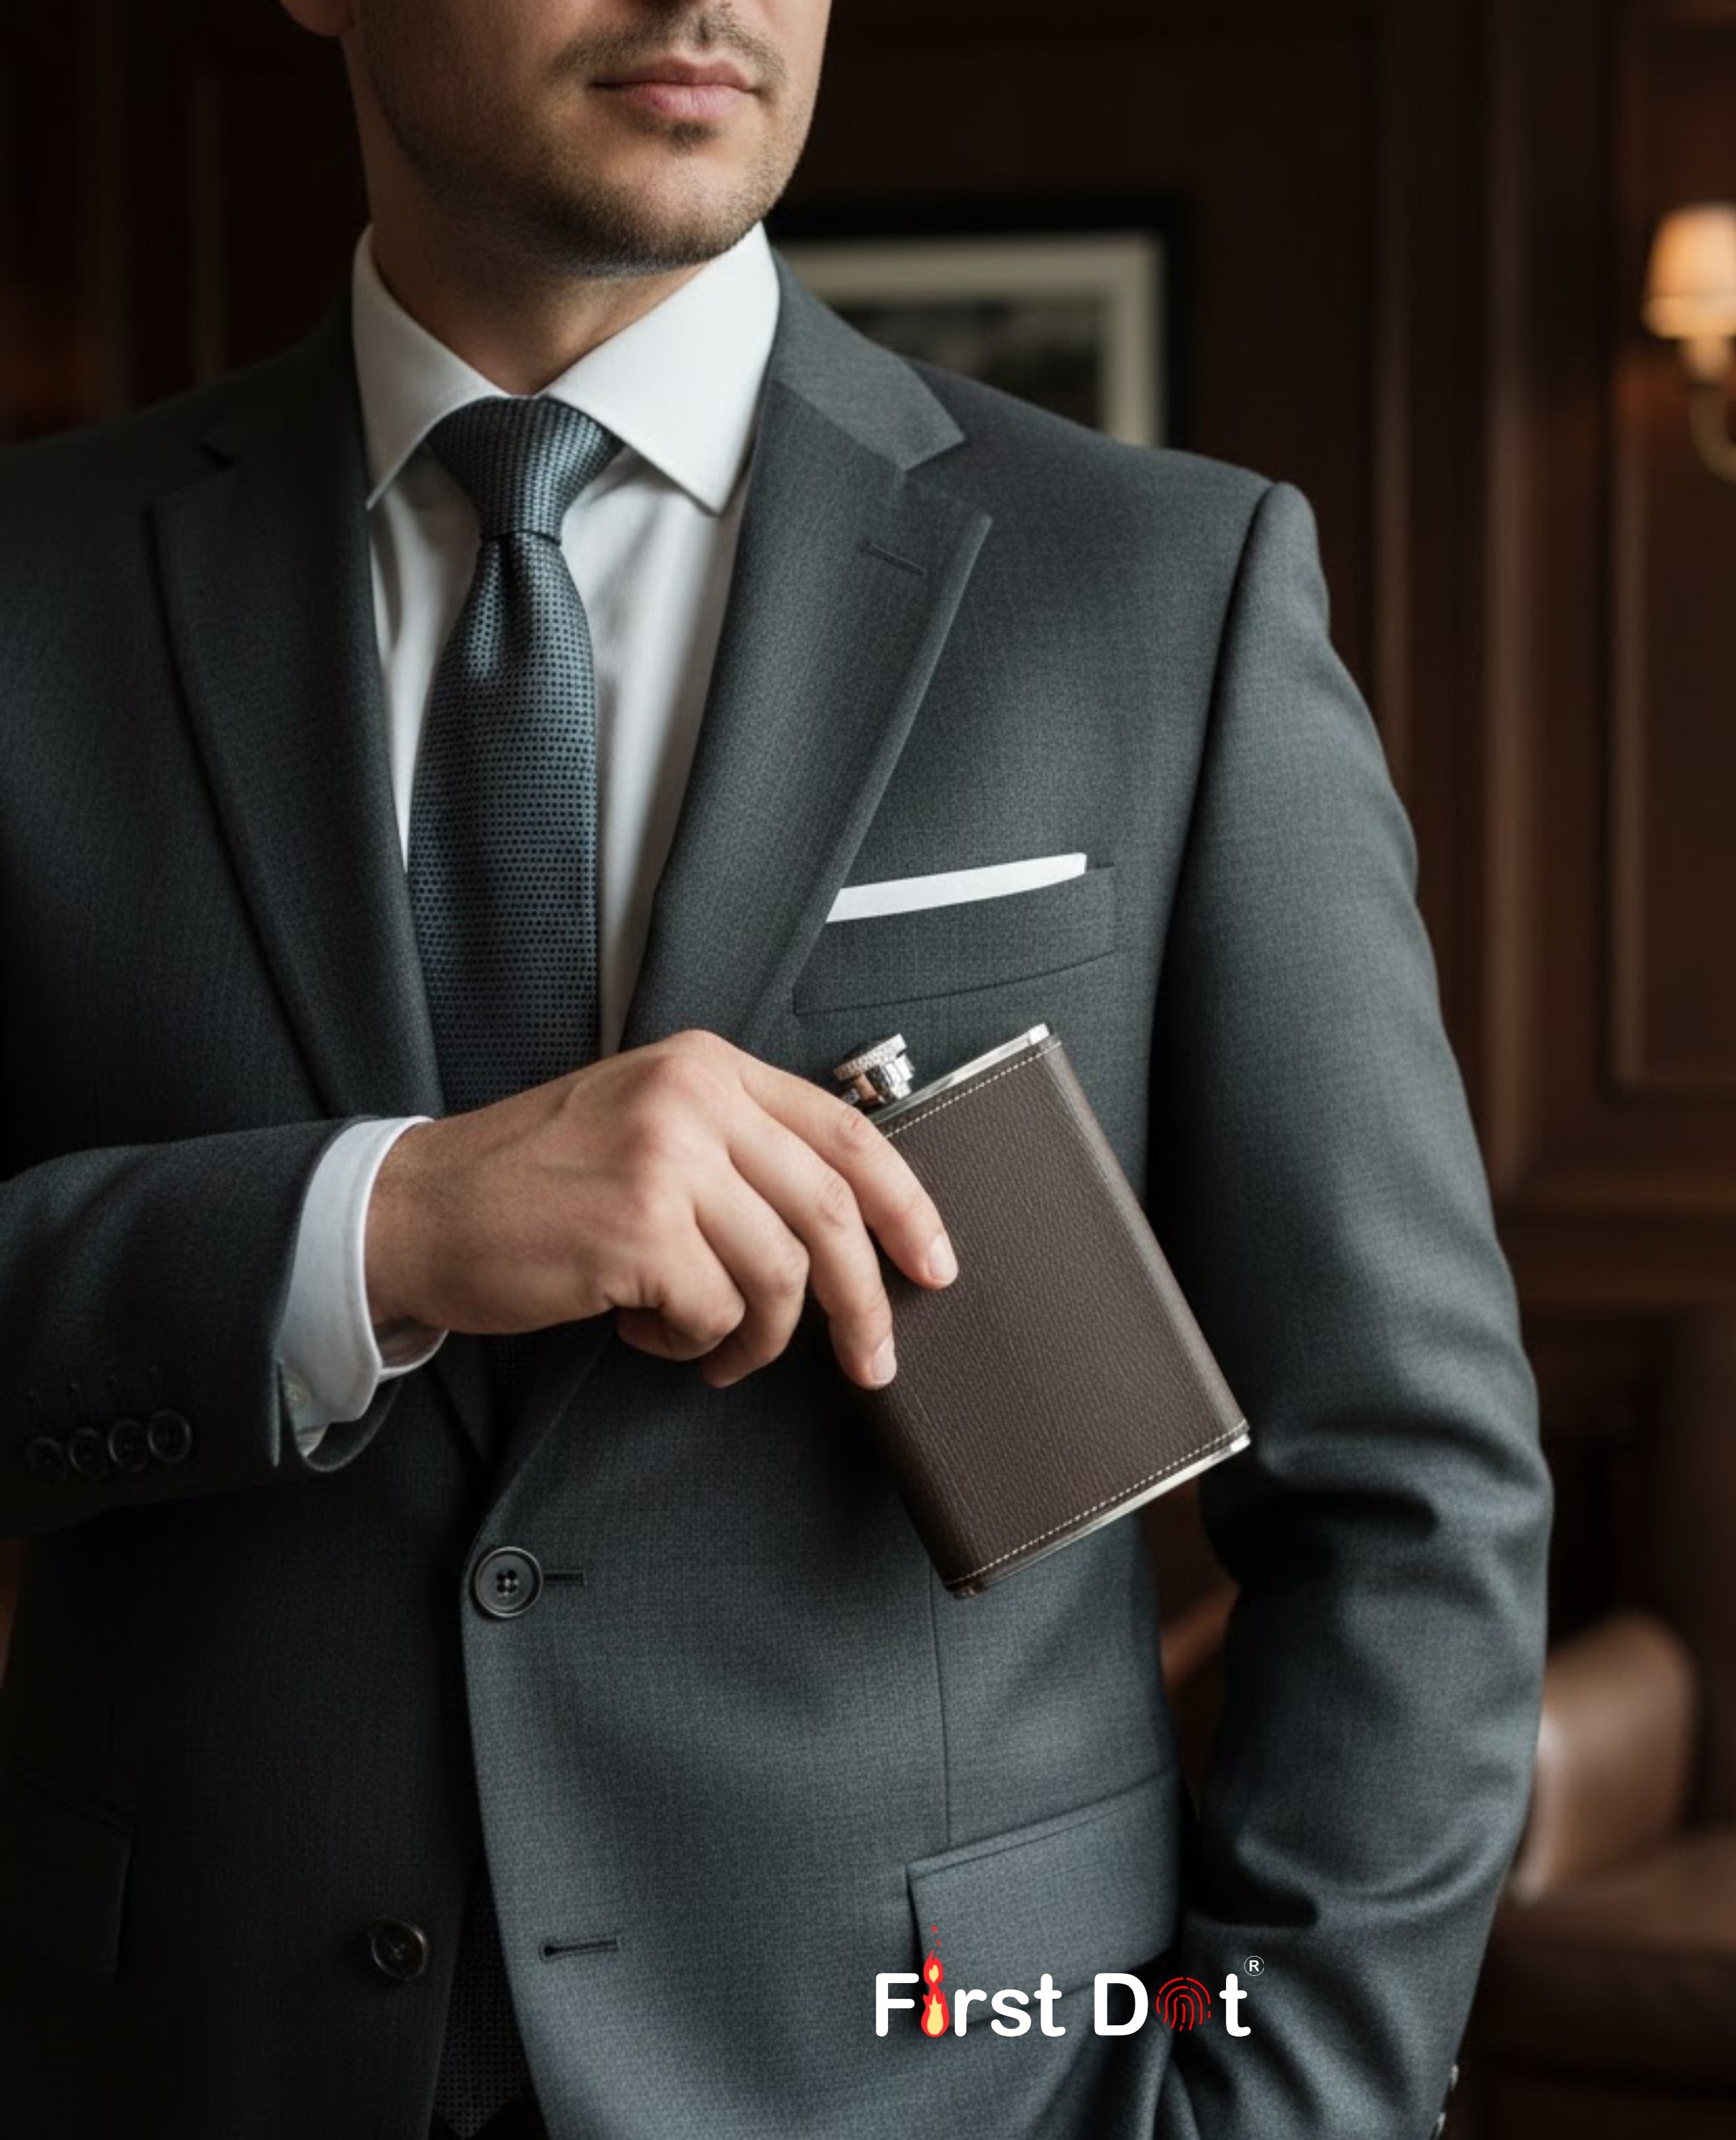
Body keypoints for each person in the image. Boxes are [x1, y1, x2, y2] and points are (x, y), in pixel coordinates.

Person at [0, 1, 1552, 2134]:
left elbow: (1413, 1495)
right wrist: (381, 1224)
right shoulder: (32, 591)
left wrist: (1278, 2111)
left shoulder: (1162, 591)